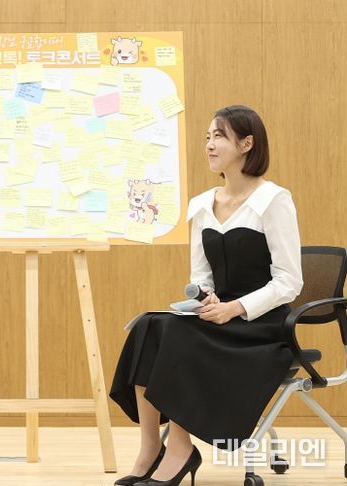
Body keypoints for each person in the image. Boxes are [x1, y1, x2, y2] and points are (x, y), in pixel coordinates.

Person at [109, 105, 303, 486]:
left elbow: (289, 282)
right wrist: (207, 300)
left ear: (247, 144)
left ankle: (180, 450)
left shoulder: (273, 200)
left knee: (180, 336)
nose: (209, 145)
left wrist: (234, 308)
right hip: (217, 315)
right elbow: (200, 277)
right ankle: (151, 447)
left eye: (219, 136)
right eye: (208, 137)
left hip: (260, 326)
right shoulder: (201, 205)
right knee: (149, 326)